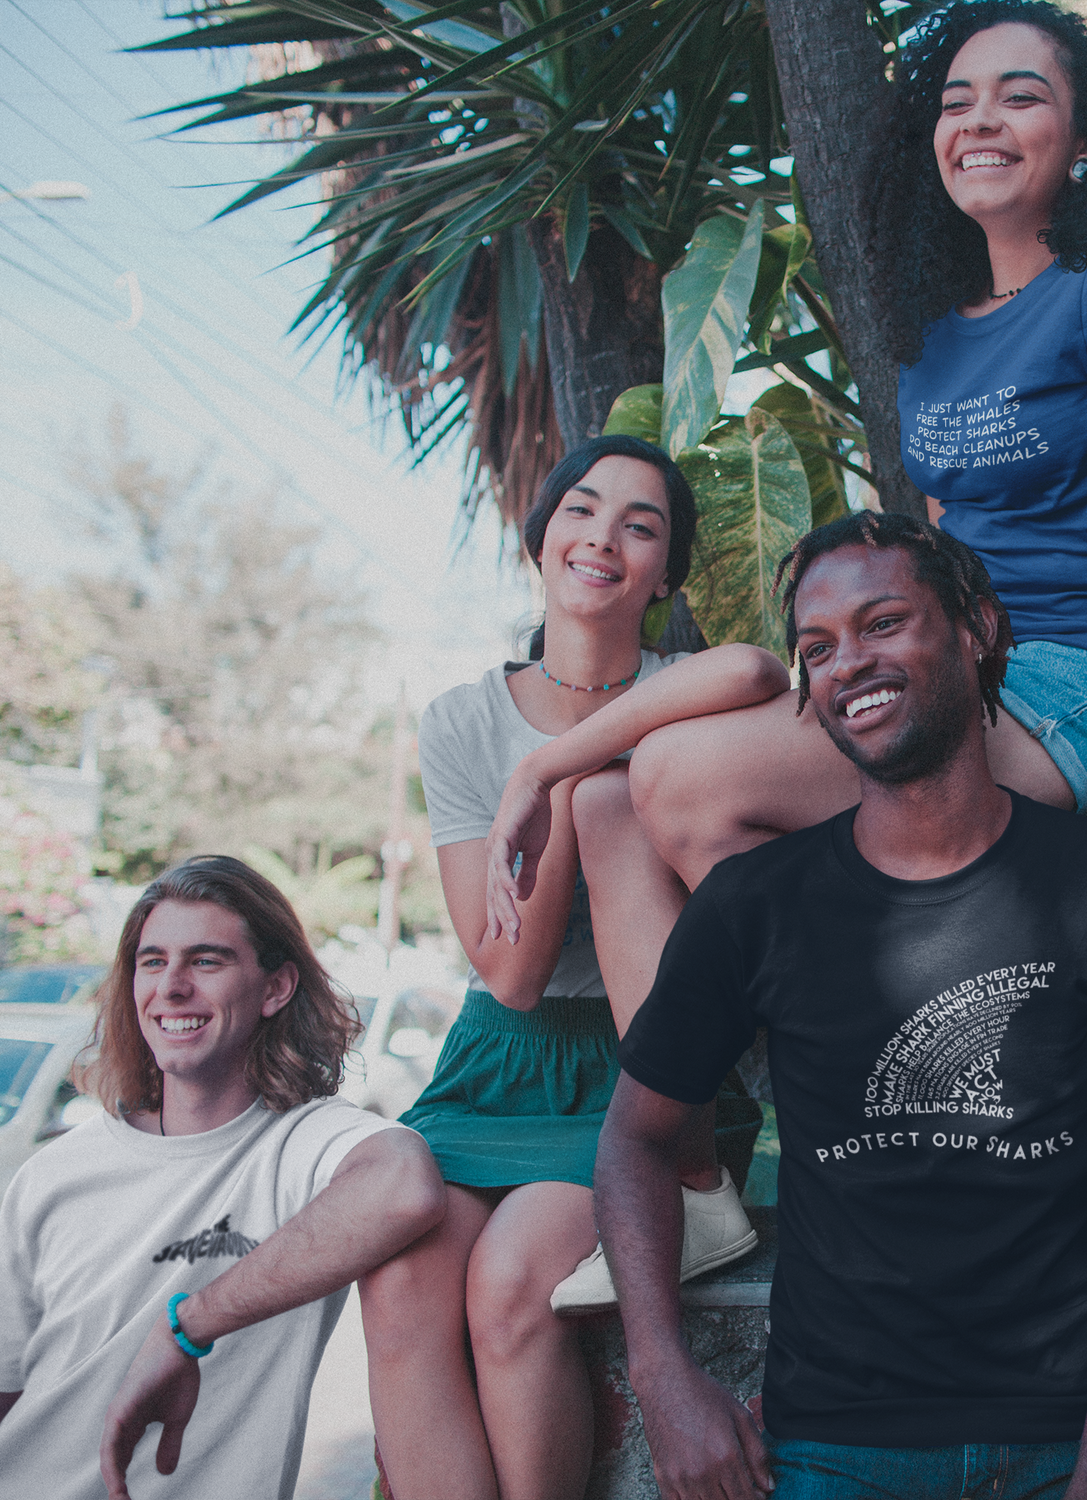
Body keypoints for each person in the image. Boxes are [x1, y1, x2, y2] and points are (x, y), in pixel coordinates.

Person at [596, 512, 1087, 1500]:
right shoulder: (755, 904)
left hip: (1057, 1440)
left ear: (977, 629)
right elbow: (635, 1140)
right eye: (817, 648)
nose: (848, 662)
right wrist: (663, 1375)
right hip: (830, 1448)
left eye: (883, 622)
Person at [612, 0, 1087, 904]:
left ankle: (835, 1015)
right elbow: (943, 554)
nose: (979, 120)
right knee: (618, 804)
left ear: (1084, 139)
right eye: (955, 101)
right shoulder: (934, 331)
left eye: (1020, 98)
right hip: (946, 661)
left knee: (678, 776)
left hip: (1064, 682)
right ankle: (842, 1011)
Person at [361, 435, 784, 1500]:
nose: (602, 537)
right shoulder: (464, 719)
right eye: (582, 511)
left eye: (640, 525)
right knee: (404, 1281)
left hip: (639, 1066)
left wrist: (561, 759)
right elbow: (509, 973)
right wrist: (558, 772)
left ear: (667, 573)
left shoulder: (687, 691)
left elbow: (760, 668)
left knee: (511, 1287)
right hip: (498, 1058)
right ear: (541, 535)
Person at [0, 855, 443, 1500]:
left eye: (205, 961)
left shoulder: (304, 1145)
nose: (170, 987)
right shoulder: (55, 1173)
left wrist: (188, 1327)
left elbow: (404, 1188)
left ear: (275, 988)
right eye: (152, 962)